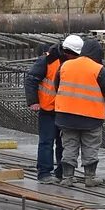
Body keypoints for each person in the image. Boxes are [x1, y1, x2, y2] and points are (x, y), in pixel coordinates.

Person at [52, 33, 105, 188]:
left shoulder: (65, 65)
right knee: (90, 147)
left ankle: (67, 178)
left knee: (69, 146)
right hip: (90, 117)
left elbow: (56, 86)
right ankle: (90, 178)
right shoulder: (98, 69)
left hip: (65, 116)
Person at [25, 39, 65, 183]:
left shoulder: (71, 61)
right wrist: (33, 101)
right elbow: (30, 79)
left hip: (65, 109)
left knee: (64, 143)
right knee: (47, 142)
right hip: (48, 108)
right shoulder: (46, 61)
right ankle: (44, 173)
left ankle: (62, 172)